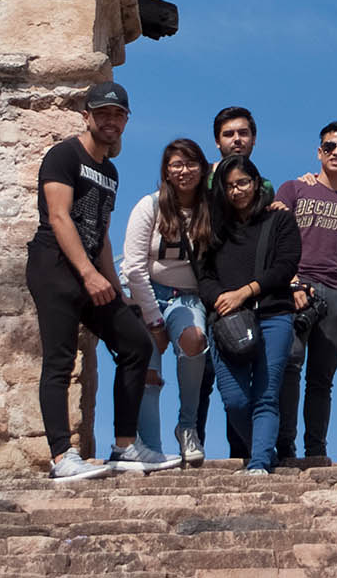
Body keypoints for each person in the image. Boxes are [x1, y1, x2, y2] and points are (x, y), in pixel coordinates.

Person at [26, 81, 177, 481]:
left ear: (126, 120)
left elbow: (102, 232)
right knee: (59, 360)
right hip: (55, 266)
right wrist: (88, 274)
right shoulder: (64, 155)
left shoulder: (109, 170)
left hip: (91, 270)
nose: (111, 121)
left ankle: (125, 447)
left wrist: (117, 288)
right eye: (103, 114)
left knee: (135, 342)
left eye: (118, 115)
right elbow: (59, 217)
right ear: (87, 116)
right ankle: (61, 457)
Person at [275, 121, 337, 460]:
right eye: (330, 146)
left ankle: (316, 450)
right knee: (288, 366)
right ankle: (284, 447)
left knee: (322, 381)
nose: (336, 152)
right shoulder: (293, 189)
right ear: (319, 152)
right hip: (296, 288)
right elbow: (276, 243)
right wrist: (288, 283)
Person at [198, 154, 303, 475]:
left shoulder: (279, 220)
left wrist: (245, 292)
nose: (237, 191)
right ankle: (265, 452)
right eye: (229, 186)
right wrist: (220, 300)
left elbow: (285, 266)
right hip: (227, 321)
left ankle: (259, 464)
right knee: (235, 400)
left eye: (243, 183)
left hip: (273, 315)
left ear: (257, 183)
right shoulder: (213, 225)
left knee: (266, 395)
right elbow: (203, 275)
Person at [119, 138, 213, 465]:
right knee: (149, 371)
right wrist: (153, 320)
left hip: (187, 297)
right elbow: (132, 267)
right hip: (146, 290)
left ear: (203, 169)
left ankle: (187, 427)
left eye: (190, 164)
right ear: (166, 171)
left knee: (195, 341)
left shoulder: (211, 210)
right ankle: (151, 449)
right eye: (176, 164)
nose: (184, 171)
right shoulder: (151, 206)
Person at [199, 106, 285, 460]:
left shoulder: (263, 185)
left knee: (250, 377)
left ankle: (249, 453)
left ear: (253, 139)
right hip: (202, 288)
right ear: (217, 141)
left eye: (243, 133)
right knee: (205, 379)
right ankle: (196, 454)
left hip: (246, 296)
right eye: (229, 134)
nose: (237, 139)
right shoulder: (199, 177)